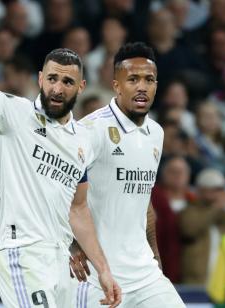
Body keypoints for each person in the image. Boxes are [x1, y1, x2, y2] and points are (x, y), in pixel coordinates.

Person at [0, 5, 120, 307]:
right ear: (41, 79)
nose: (58, 88)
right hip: (23, 253)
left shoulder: (83, 141)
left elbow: (79, 209)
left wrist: (103, 269)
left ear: (81, 87)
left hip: (63, 262)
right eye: (52, 78)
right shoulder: (15, 114)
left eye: (67, 82)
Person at [71, 42, 185, 307]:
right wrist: (70, 246)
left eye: (149, 80)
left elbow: (143, 200)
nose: (142, 87)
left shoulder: (156, 133)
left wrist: (155, 254)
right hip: (97, 276)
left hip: (145, 275)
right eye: (133, 79)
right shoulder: (90, 130)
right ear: (116, 85)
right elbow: (56, 190)